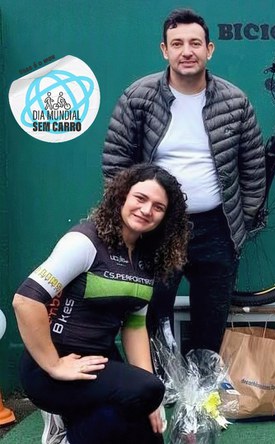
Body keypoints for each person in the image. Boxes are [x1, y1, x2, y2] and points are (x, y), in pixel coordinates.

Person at [102, 8, 265, 352]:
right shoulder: (139, 97)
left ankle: (203, 387)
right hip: (157, 229)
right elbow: (116, 163)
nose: (186, 51)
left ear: (210, 49)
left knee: (210, 329)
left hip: (218, 229)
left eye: (195, 43)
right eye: (177, 44)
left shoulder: (235, 102)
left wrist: (243, 220)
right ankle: (154, 385)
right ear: (165, 50)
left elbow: (253, 168)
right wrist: (134, 221)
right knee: (150, 323)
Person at [12, 164, 189, 444]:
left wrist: (150, 399)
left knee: (148, 429)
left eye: (158, 207)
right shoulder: (84, 242)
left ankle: (74, 424)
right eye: (140, 198)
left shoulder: (147, 257)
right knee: (147, 391)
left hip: (98, 362)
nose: (146, 210)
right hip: (51, 367)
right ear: (122, 196)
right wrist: (54, 364)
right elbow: (25, 300)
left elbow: (134, 325)